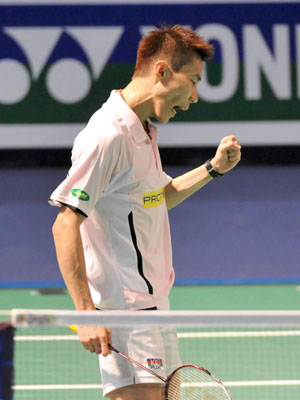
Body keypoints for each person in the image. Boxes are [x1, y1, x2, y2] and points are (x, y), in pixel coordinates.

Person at [50, 25, 241, 400]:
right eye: (194, 80)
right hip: (128, 314)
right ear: (163, 71)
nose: (196, 96)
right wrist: (86, 313)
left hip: (156, 307)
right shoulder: (109, 135)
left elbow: (155, 199)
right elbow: (66, 221)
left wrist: (212, 168)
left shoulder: (142, 130)